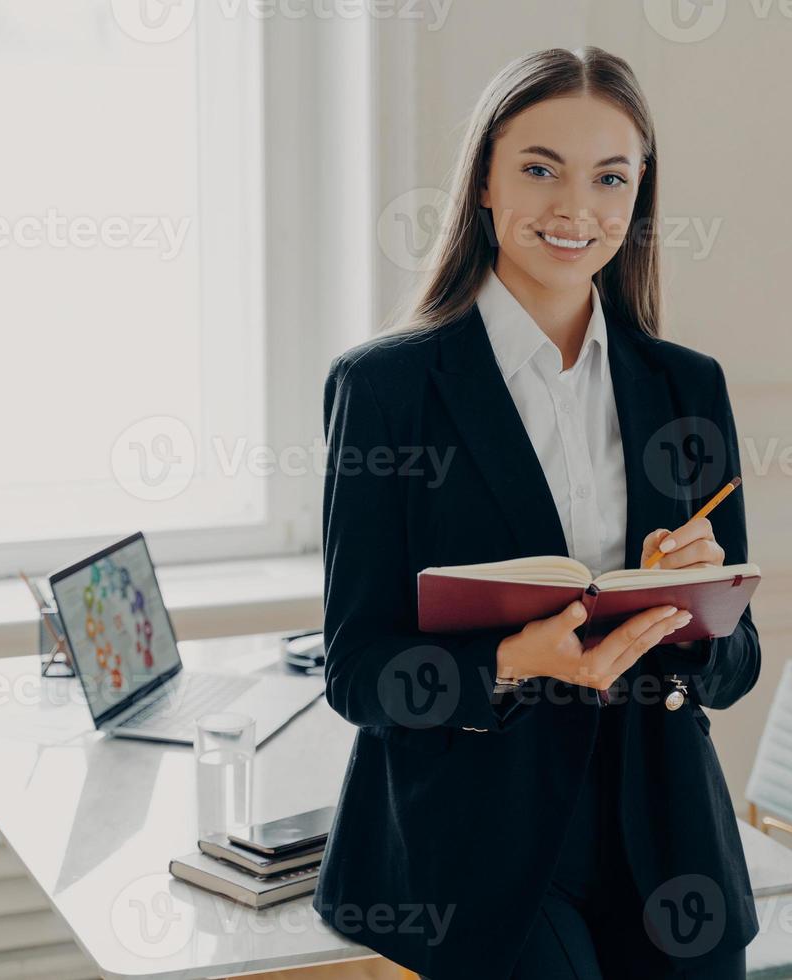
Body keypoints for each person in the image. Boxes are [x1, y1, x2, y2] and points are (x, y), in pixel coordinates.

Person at [311, 46, 761, 980]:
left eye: (610, 178)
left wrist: (698, 613)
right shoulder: (389, 390)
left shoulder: (687, 387)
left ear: (638, 198)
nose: (576, 208)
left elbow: (736, 665)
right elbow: (358, 674)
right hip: (478, 843)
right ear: (484, 180)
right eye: (539, 168)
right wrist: (516, 661)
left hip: (667, 833)